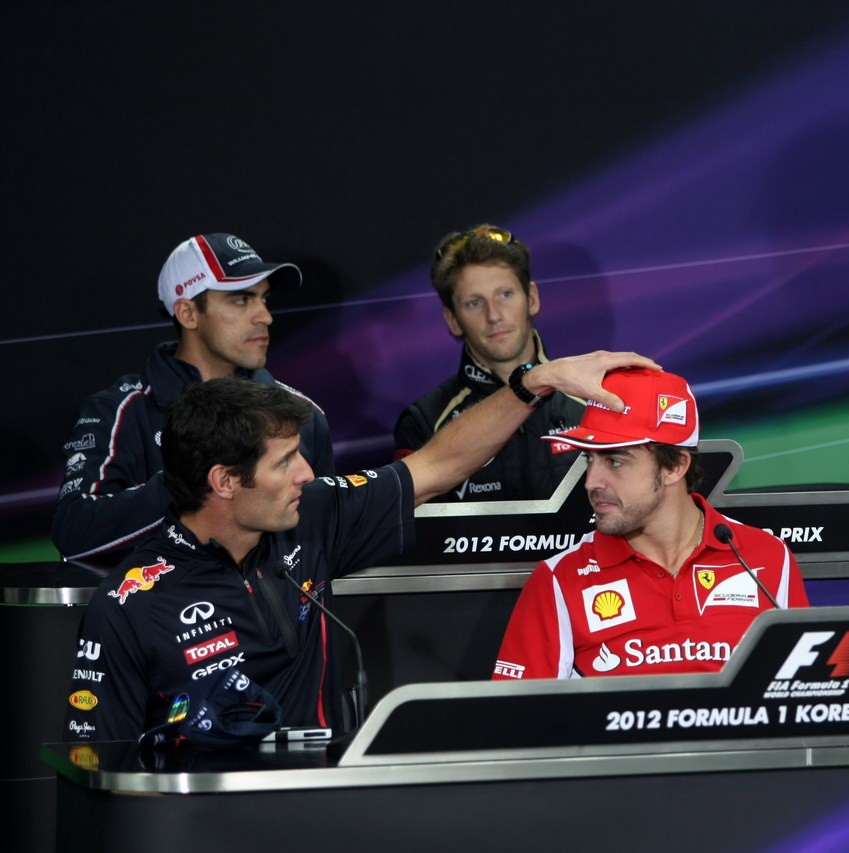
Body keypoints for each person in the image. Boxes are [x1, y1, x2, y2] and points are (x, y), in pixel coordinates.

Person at [64, 349, 656, 741]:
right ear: (223, 481)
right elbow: (99, 769)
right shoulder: (130, 604)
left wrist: (535, 382)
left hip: (324, 810)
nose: (306, 474)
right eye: (284, 462)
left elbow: (439, 464)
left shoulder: (313, 516)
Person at [492, 367, 809, 680]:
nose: (592, 482)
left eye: (615, 461)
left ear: (675, 467)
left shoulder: (767, 557)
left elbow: (804, 693)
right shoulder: (559, 579)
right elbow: (516, 721)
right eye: (590, 459)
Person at [52, 233, 335, 564]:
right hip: (164, 612)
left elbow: (324, 538)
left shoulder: (302, 413)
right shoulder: (119, 411)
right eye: (241, 300)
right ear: (187, 313)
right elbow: (74, 533)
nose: (265, 317)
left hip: (274, 613)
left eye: (265, 299)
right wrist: (192, 478)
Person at [393, 224, 584, 502]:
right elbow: (416, 535)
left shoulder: (592, 399)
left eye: (505, 294)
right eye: (474, 303)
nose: (494, 315)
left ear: (531, 299)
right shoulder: (425, 421)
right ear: (453, 320)